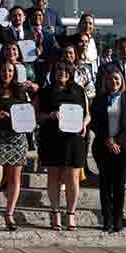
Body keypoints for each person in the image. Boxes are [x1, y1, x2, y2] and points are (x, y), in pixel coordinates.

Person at [37, 62, 89, 231]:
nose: (62, 73)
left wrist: (84, 124)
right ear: (54, 72)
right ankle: (55, 212)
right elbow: (36, 116)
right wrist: (49, 115)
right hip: (51, 138)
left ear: (71, 73)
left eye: (66, 70)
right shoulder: (45, 92)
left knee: (72, 177)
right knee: (54, 176)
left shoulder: (79, 91)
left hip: (74, 139)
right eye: (59, 69)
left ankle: (71, 214)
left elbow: (88, 115)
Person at [0, 62, 31, 231]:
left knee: (14, 178)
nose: (6, 73)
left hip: (16, 138)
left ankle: (9, 214)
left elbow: (28, 114)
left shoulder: (21, 92)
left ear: (15, 73)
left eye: (10, 70)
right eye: (4, 70)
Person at [89, 69, 126, 232]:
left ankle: (118, 220)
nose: (113, 82)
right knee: (105, 184)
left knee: (119, 184)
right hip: (102, 147)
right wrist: (107, 139)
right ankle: (107, 220)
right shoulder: (98, 100)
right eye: (110, 79)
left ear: (122, 81)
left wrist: (116, 141)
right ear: (105, 82)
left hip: (124, 148)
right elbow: (93, 123)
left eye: (116, 78)